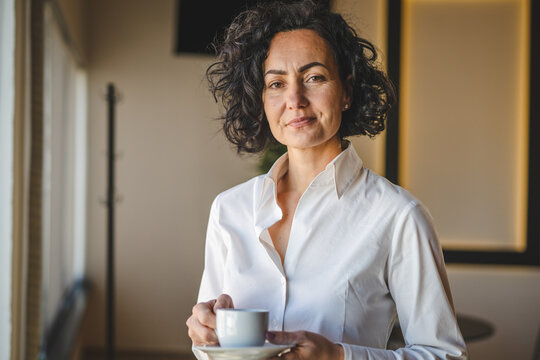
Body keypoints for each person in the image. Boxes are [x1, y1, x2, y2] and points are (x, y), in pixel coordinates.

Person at [186, 1, 467, 359]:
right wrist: (205, 336)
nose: (294, 99)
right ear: (261, 99)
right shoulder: (229, 209)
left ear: (347, 91)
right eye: (276, 83)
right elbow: (211, 348)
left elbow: (444, 355)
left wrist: (338, 356)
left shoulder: (399, 216)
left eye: (314, 77)